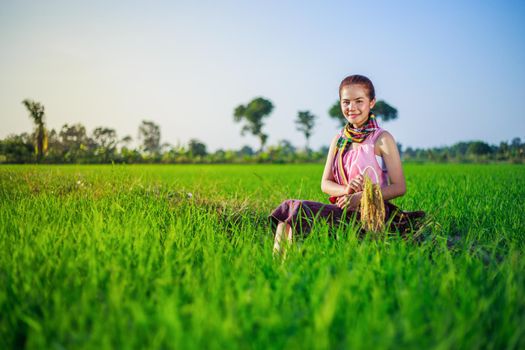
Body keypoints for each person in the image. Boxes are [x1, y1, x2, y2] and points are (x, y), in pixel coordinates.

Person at [270, 74, 424, 255]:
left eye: (359, 101)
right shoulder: (339, 140)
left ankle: (283, 271)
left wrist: (361, 197)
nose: (352, 108)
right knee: (287, 216)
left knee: (296, 209)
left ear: (371, 103)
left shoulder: (381, 139)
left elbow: (399, 187)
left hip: (373, 216)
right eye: (346, 102)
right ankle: (279, 270)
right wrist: (347, 189)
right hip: (343, 210)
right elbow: (325, 184)